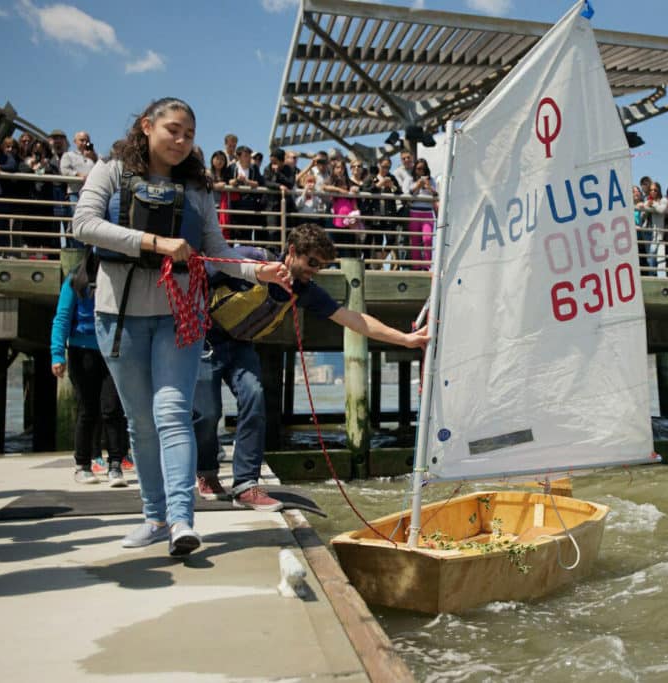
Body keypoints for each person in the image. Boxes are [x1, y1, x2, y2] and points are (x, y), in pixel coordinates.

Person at [72, 97, 292, 557]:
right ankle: (153, 516)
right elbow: (84, 225)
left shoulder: (197, 189)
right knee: (141, 422)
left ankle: (181, 520)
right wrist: (152, 242)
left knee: (173, 414)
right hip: (119, 314)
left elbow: (216, 248)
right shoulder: (110, 172)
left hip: (181, 314)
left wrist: (258, 272)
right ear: (147, 126)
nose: (181, 140)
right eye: (173, 130)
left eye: (189, 134)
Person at [193, 223, 429, 508]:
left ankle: (246, 485)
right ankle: (206, 473)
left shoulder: (305, 290)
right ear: (292, 252)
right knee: (207, 413)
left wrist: (404, 338)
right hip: (203, 337)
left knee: (254, 397)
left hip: (241, 345)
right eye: (312, 262)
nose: (315, 270)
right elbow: (196, 275)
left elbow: (354, 319)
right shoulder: (250, 258)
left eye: (322, 266)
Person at [51, 247, 130, 486]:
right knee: (88, 410)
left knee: (112, 408)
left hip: (113, 351)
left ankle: (116, 463)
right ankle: (83, 464)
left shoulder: (120, 279)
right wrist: (57, 354)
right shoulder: (75, 280)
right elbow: (62, 317)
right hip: (81, 351)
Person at [408, 157, 438, 269]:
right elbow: (408, 196)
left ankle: (426, 266)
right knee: (415, 241)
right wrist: (418, 186)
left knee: (427, 239)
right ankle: (416, 266)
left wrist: (428, 186)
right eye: (418, 168)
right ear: (415, 169)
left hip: (427, 213)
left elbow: (436, 195)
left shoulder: (431, 180)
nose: (421, 171)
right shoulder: (410, 180)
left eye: (423, 169)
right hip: (414, 212)